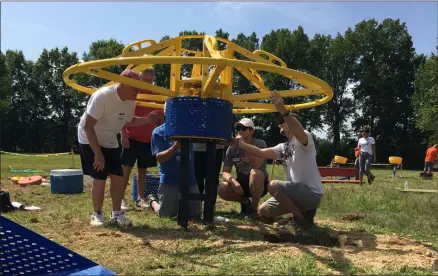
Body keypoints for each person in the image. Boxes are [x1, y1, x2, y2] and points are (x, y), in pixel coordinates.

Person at [77, 69, 162, 227]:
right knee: (100, 177)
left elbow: (128, 121)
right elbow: (88, 127)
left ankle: (116, 214)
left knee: (118, 177)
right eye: (135, 88)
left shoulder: (130, 99)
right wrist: (98, 154)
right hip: (90, 138)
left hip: (109, 139)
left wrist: (147, 119)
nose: (139, 91)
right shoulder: (102, 96)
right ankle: (97, 214)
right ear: (123, 84)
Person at [227, 91, 323, 230]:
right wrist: (238, 143)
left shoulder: (304, 139)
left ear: (291, 124)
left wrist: (283, 110)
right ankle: (305, 211)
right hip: (294, 193)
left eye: (282, 123)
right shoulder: (282, 147)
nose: (280, 125)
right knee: (263, 211)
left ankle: (300, 219)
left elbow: (298, 129)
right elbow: (260, 152)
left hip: (311, 193)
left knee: (273, 185)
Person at [120, 67, 164, 211]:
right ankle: (121, 199)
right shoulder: (134, 94)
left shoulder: (156, 94)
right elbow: (123, 117)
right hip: (131, 137)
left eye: (150, 80)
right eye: (145, 80)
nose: (148, 83)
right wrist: (123, 135)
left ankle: (140, 199)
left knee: (143, 170)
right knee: (125, 169)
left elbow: (159, 118)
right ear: (139, 80)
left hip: (147, 139)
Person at [147, 102, 201, 219]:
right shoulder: (159, 132)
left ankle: (179, 204)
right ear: (165, 111)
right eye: (170, 109)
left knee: (195, 215)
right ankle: (153, 201)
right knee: (166, 215)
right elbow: (159, 158)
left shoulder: (190, 128)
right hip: (169, 180)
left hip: (190, 180)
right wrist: (175, 147)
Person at [219, 118, 269, 217]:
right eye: (238, 128)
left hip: (259, 183)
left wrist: (243, 145)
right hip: (242, 182)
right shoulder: (232, 149)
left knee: (255, 173)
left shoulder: (260, 144)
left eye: (244, 128)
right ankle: (245, 202)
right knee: (221, 188)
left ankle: (253, 209)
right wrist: (233, 181)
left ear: (252, 131)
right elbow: (225, 172)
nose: (240, 131)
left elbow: (256, 165)